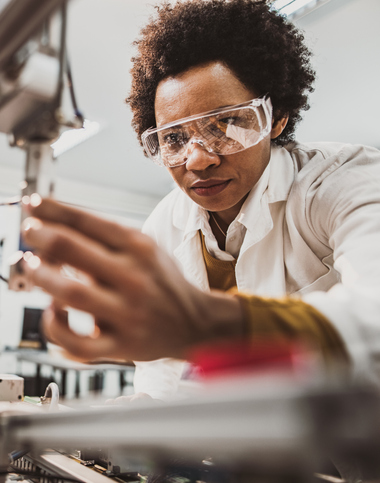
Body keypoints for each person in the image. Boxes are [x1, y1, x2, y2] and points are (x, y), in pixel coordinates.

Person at [19, 0, 380, 399]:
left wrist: (209, 323)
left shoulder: (344, 182)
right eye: (174, 138)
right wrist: (141, 419)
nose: (198, 159)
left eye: (226, 124)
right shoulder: (165, 223)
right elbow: (160, 367)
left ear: (276, 116)